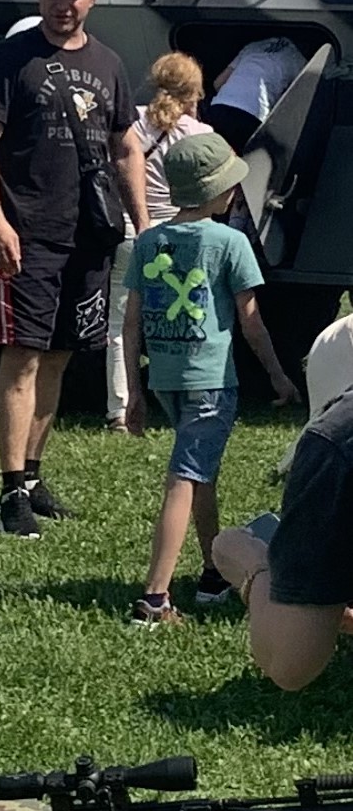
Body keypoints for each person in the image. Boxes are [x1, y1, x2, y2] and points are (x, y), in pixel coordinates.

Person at [0, 0, 148, 538]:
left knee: (62, 355)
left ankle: (35, 475)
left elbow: (125, 146)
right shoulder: (8, 60)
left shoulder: (110, 63)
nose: (62, 3)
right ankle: (9, 489)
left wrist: (143, 225)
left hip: (89, 234)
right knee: (21, 355)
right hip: (28, 233)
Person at [120, 128, 297, 624]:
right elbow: (252, 321)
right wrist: (280, 377)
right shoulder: (230, 242)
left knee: (203, 477)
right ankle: (154, 600)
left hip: (166, 379)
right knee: (183, 480)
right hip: (211, 383)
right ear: (218, 190)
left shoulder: (150, 240)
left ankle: (213, 572)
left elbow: (131, 324)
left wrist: (134, 390)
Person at [212, 395, 353, 689]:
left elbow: (291, 665)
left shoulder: (338, 438)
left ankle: (250, 556)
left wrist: (252, 568)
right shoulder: (338, 439)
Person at [105, 51, 206, 430]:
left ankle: (119, 408)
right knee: (181, 319)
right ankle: (182, 403)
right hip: (181, 233)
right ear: (193, 92)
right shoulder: (201, 135)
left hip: (132, 228)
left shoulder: (130, 121)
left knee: (119, 324)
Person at [208, 34, 309, 154]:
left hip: (220, 106)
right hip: (254, 115)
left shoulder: (253, 47)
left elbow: (218, 83)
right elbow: (297, 100)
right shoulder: (298, 59)